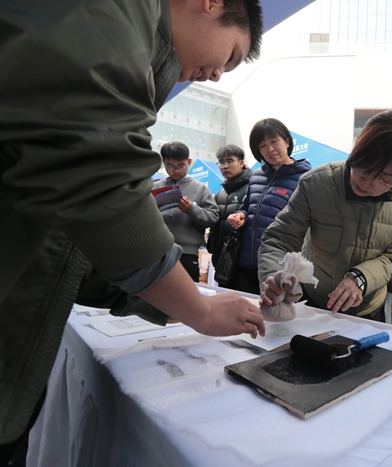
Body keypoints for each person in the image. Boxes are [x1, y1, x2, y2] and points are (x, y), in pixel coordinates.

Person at [0, 0, 265, 458]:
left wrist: (174, 303)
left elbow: (68, 244)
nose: (217, 75)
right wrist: (198, 311)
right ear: (212, 3)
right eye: (230, 56)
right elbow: (101, 182)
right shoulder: (111, 14)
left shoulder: (131, 41)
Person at [258, 110, 392, 320]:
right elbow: (278, 239)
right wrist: (273, 275)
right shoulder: (317, 183)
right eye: (363, 167)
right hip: (316, 302)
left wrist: (361, 278)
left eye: (383, 179)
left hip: (370, 308)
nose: (366, 182)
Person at [228, 118, 311, 294]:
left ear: (287, 142)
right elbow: (245, 207)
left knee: (275, 309)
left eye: (274, 141)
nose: (270, 149)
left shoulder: (305, 179)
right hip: (245, 263)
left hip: (279, 267)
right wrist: (241, 216)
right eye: (263, 146)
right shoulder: (256, 176)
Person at [153, 142, 219, 282]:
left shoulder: (200, 188)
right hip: (157, 251)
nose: (176, 170)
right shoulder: (154, 187)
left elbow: (213, 217)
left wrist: (191, 209)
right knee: (156, 291)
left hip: (187, 253)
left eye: (181, 166)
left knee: (187, 292)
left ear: (188, 162)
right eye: (170, 166)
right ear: (163, 162)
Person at [207, 144, 252, 280]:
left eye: (229, 161)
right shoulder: (220, 193)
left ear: (241, 163)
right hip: (221, 260)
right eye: (221, 162)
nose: (225, 166)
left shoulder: (252, 188)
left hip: (244, 262)